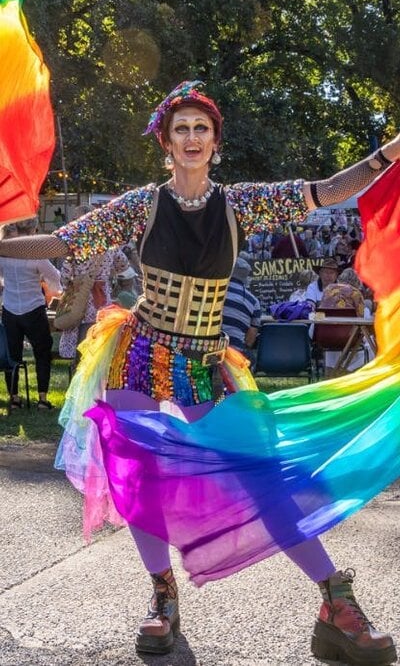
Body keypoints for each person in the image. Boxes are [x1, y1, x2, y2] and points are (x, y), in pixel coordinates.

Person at [0, 81, 399, 665]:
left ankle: (334, 603)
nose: (192, 138)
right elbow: (63, 241)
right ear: (166, 142)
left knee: (261, 479)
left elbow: (327, 190)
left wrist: (388, 153)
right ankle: (162, 597)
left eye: (201, 129)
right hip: (139, 352)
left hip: (206, 360)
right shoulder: (142, 204)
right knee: (137, 474)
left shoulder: (242, 203)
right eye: (181, 128)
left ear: (215, 143)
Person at [0, 217, 61, 410]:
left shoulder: (4, 254)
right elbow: (55, 278)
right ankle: (42, 398)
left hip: (10, 307)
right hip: (33, 308)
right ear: (34, 230)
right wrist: (52, 288)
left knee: (13, 355)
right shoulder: (36, 255)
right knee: (42, 352)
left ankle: (15, 397)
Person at [58, 204, 129, 364]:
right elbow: (123, 264)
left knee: (80, 347)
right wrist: (107, 273)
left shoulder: (75, 247)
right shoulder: (109, 245)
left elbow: (65, 277)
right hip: (102, 299)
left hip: (80, 300)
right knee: (99, 349)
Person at [222, 254, 261, 367]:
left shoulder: (216, 292)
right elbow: (250, 340)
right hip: (235, 354)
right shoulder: (253, 302)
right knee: (251, 357)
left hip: (209, 349)